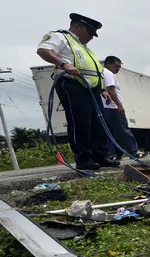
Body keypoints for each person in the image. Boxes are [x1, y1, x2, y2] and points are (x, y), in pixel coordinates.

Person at [36, 13, 118, 170]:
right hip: (71, 84)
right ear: (77, 26)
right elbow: (43, 50)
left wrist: (102, 89)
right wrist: (63, 64)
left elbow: (94, 69)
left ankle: (100, 156)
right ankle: (84, 158)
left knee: (98, 122)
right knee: (81, 122)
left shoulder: (83, 46)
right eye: (90, 32)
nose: (92, 37)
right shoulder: (60, 37)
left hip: (91, 88)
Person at [100, 56, 142, 159]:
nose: (118, 69)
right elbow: (111, 90)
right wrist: (119, 106)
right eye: (116, 66)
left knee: (111, 133)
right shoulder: (108, 73)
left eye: (119, 67)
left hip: (105, 108)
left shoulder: (100, 73)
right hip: (113, 107)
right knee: (123, 130)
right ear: (108, 63)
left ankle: (113, 154)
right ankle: (134, 151)